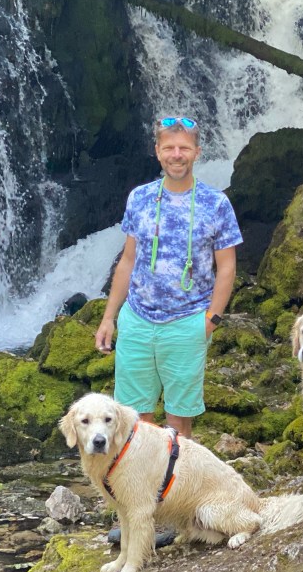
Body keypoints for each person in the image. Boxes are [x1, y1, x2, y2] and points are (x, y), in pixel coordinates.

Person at [95, 116, 242, 440]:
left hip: (187, 324)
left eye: (184, 148)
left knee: (179, 423)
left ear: (197, 152)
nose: (177, 155)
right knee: (134, 421)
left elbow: (227, 267)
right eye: (170, 148)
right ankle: (143, 475)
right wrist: (109, 318)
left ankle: (176, 475)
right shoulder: (140, 198)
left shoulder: (216, 204)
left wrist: (211, 320)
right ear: (158, 151)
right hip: (137, 321)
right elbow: (128, 260)